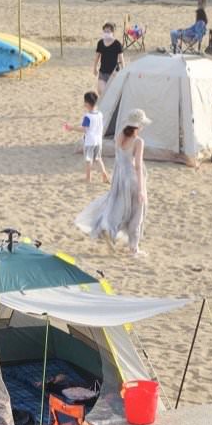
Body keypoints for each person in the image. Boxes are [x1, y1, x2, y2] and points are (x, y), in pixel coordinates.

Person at [75, 108, 150, 256]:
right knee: (136, 213)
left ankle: (107, 228)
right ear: (139, 125)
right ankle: (134, 249)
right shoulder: (138, 141)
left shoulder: (119, 136)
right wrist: (142, 189)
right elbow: (138, 166)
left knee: (118, 208)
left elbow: (119, 159)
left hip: (119, 178)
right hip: (132, 179)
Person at [64, 91, 109, 184]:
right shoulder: (100, 114)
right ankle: (104, 174)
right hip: (98, 140)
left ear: (87, 103)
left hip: (90, 141)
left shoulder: (87, 116)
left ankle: (88, 178)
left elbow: (84, 129)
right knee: (98, 158)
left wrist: (72, 128)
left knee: (88, 160)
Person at [93, 23, 124, 95]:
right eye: (105, 31)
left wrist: (123, 71)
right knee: (101, 93)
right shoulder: (100, 43)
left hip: (113, 74)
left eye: (108, 31)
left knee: (111, 95)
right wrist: (95, 68)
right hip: (102, 72)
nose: (106, 33)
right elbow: (97, 56)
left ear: (113, 32)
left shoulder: (117, 44)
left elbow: (121, 59)